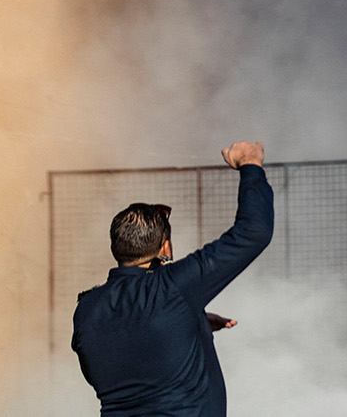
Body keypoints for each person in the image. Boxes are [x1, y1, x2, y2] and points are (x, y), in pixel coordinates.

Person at [72, 141, 274, 417]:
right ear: (165, 248)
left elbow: (131, 350)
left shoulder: (86, 309)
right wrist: (250, 164)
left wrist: (188, 323)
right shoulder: (173, 287)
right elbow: (254, 231)